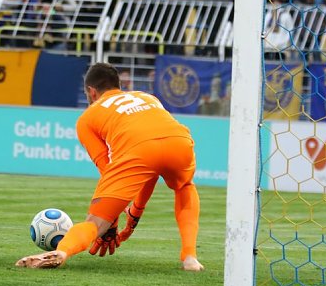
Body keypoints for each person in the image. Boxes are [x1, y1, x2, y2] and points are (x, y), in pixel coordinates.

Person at [16, 63, 204, 271]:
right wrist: (134, 214)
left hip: (138, 150)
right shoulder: (148, 97)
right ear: (118, 85)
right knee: (185, 186)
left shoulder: (87, 119)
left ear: (91, 91)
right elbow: (152, 169)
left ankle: (61, 251)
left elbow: (108, 169)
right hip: (179, 140)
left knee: (94, 223)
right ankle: (190, 258)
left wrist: (109, 220)